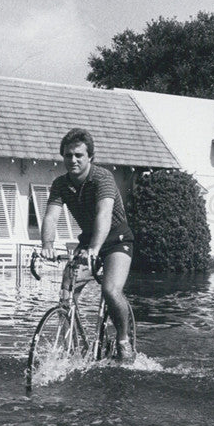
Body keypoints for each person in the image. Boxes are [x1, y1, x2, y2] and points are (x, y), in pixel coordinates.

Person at [41, 127, 136, 362]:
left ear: (90, 157)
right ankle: (77, 344)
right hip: (89, 239)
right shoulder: (61, 184)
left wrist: (94, 250)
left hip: (116, 239)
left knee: (111, 291)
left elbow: (104, 214)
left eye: (78, 155)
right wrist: (47, 244)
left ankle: (123, 340)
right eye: (67, 155)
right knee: (66, 292)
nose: (72, 160)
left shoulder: (102, 177)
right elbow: (51, 216)